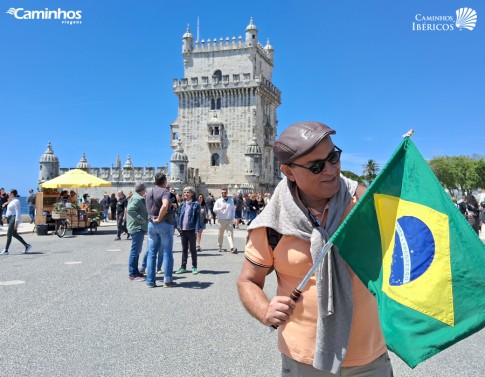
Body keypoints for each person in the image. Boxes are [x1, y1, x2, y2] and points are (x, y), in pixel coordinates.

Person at [237, 121, 392, 376]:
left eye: (333, 157)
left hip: (369, 358)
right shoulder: (272, 225)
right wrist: (265, 310)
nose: (331, 170)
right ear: (288, 171)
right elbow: (247, 281)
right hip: (303, 360)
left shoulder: (364, 203)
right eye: (317, 166)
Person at [145, 172, 176, 288]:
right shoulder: (164, 192)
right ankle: (167, 280)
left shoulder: (149, 193)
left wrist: (154, 217)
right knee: (167, 251)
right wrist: (160, 217)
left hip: (151, 224)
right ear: (164, 181)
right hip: (163, 223)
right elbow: (165, 205)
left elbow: (147, 207)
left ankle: (150, 281)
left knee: (152, 253)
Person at [175, 186, 201, 275]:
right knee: (184, 249)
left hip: (192, 229)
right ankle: (183, 266)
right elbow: (178, 215)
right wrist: (178, 226)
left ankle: (194, 267)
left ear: (192, 194)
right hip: (183, 230)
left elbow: (197, 218)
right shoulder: (182, 204)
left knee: (193, 249)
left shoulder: (196, 204)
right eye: (185, 192)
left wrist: (197, 230)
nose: (186, 194)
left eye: (188, 192)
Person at [126, 182, 148, 282]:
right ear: (142, 190)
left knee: (136, 251)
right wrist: (141, 220)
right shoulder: (138, 198)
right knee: (135, 251)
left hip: (136, 227)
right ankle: (133, 274)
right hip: (137, 227)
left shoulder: (135, 197)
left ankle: (135, 271)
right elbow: (130, 210)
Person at [1, 189, 32, 255]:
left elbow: (18, 213)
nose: (8, 194)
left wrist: (16, 222)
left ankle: (6, 250)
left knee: (9, 234)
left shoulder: (16, 201)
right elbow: (9, 211)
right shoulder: (12, 201)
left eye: (9, 193)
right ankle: (27, 245)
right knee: (14, 234)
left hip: (13, 219)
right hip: (9, 218)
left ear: (12, 194)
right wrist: (5, 217)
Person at [213, 187, 237, 254]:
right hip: (221, 220)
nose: (224, 194)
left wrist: (233, 218)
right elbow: (214, 210)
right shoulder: (218, 201)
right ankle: (219, 246)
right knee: (220, 234)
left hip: (229, 220)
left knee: (230, 234)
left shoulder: (231, 200)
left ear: (227, 193)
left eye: (225, 192)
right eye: (223, 192)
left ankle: (232, 247)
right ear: (221, 193)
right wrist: (221, 208)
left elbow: (232, 210)